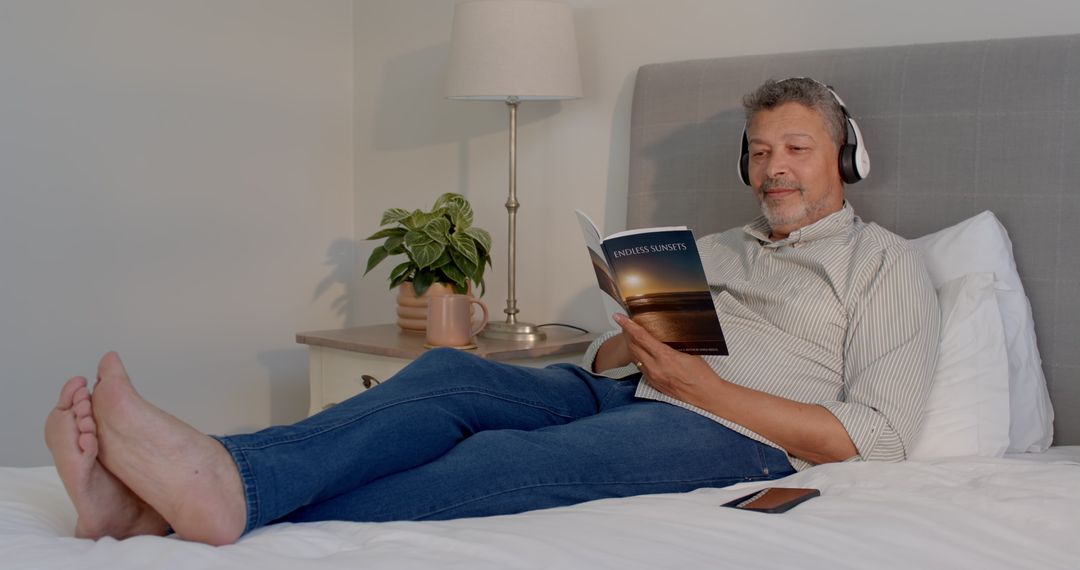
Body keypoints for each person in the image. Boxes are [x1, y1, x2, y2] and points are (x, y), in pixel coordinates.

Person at [43, 78, 940, 546]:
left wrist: (701, 386)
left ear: (843, 160)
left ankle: (174, 504)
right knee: (447, 375)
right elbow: (611, 363)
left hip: (732, 434)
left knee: (503, 459)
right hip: (630, 389)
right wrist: (624, 347)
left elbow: (880, 436)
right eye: (759, 151)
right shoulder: (716, 247)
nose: (774, 167)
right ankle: (203, 483)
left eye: (796, 148)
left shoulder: (885, 264)